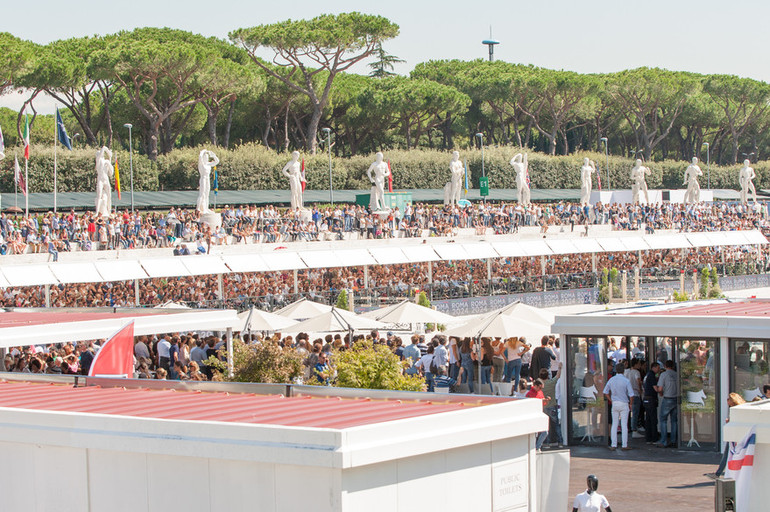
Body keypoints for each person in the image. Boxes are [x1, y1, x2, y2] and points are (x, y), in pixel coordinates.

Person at [705, 392, 747, 479]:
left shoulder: (734, 410)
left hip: (734, 435)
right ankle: (719, 473)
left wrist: (729, 422)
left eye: (729, 399)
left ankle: (718, 474)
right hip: (738, 435)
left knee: (727, 454)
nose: (727, 401)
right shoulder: (741, 408)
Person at [602, 361, 635, 451]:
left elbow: (605, 392)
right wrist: (631, 404)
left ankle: (613, 444)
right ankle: (624, 445)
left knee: (614, 424)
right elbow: (631, 394)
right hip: (624, 403)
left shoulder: (612, 379)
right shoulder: (626, 381)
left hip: (615, 403)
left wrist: (611, 400)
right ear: (623, 370)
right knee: (624, 424)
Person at [654, 359, 679, 448]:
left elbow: (660, 388)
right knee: (674, 421)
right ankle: (673, 440)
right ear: (673, 366)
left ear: (665, 366)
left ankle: (663, 441)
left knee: (663, 420)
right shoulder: (676, 374)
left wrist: (660, 393)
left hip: (667, 398)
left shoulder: (663, 375)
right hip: (676, 398)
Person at [526, 378, 550, 449]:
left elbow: (544, 403)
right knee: (535, 433)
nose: (540, 389)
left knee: (545, 432)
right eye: (540, 388)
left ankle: (537, 447)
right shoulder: (529, 394)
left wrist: (546, 401)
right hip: (533, 416)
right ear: (535, 386)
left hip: (539, 414)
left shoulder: (540, 392)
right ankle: (534, 448)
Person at [642, 361, 661, 444]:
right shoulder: (652, 375)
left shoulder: (647, 375)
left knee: (648, 419)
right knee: (653, 420)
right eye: (658, 368)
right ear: (654, 367)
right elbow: (655, 388)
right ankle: (654, 438)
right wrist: (661, 390)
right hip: (651, 399)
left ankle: (648, 438)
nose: (659, 370)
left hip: (646, 398)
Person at [196, 149, 220, 213]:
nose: (206, 158)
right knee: (202, 193)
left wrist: (213, 155)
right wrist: (203, 151)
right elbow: (200, 157)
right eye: (205, 157)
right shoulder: (201, 164)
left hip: (207, 178)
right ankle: (198, 208)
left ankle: (206, 208)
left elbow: (217, 161)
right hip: (203, 178)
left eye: (207, 157)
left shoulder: (208, 164)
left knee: (207, 194)